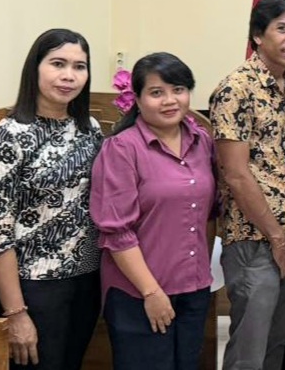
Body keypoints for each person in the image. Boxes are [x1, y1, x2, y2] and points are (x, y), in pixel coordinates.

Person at [0, 28, 103, 370]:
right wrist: (15, 314)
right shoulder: (5, 137)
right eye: (58, 64)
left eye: (79, 66)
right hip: (33, 287)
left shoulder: (89, 128)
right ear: (35, 68)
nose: (69, 75)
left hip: (86, 278)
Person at [90, 53, 216, 370]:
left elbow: (209, 213)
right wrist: (151, 292)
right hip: (139, 293)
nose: (170, 100)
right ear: (137, 98)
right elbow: (116, 231)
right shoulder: (122, 148)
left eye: (178, 89)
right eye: (157, 92)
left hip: (193, 287)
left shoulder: (202, 141)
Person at [211, 0, 285, 370]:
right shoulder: (235, 88)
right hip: (255, 238)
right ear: (257, 35)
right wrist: (276, 238)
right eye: (283, 29)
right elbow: (236, 174)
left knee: (279, 342)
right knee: (250, 349)